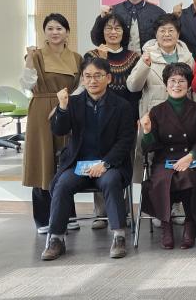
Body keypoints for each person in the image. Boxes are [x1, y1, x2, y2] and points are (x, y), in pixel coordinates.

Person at [41, 57, 136, 261]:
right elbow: (59, 130)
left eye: (98, 76)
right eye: (88, 76)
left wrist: (105, 163)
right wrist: (62, 107)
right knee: (63, 184)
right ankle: (56, 238)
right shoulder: (73, 103)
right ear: (82, 80)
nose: (93, 81)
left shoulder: (122, 106)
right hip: (78, 165)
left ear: (108, 78)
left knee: (111, 181)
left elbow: (126, 141)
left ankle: (119, 236)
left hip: (109, 165)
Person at [21, 13, 83, 234]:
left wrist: (66, 103)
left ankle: (68, 213)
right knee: (42, 161)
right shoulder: (36, 56)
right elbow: (26, 84)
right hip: (41, 110)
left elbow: (81, 86)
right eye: (50, 28)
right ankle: (43, 217)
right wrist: (29, 60)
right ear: (44, 32)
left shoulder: (76, 58)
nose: (55, 32)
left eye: (59, 28)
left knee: (66, 160)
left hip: (66, 107)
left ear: (67, 32)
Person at [139, 63, 196, 250]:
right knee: (162, 179)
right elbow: (149, 148)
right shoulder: (157, 111)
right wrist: (147, 131)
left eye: (181, 81)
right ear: (166, 84)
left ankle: (190, 224)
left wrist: (191, 156)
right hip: (164, 160)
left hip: (191, 159)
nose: (176, 85)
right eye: (172, 81)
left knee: (189, 177)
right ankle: (166, 225)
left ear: (189, 85)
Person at [85, 13, 142, 229]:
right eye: (108, 28)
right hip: (96, 118)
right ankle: (101, 213)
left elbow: (136, 89)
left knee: (123, 163)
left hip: (126, 119)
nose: (113, 32)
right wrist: (102, 58)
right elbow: (90, 84)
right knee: (97, 160)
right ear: (101, 31)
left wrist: (137, 116)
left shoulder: (134, 57)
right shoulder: (92, 55)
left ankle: (122, 211)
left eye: (118, 28)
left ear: (124, 33)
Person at [127, 14, 196, 185]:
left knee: (182, 161)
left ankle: (180, 195)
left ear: (178, 33)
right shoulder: (147, 55)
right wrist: (144, 65)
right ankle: (154, 196)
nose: (166, 34)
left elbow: (193, 89)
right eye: (162, 31)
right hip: (154, 118)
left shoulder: (187, 57)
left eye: (171, 30)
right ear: (155, 34)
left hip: (183, 117)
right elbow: (133, 86)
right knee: (153, 162)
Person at [95, 0, 166, 54]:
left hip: (150, 60)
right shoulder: (113, 11)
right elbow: (96, 40)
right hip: (120, 60)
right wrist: (101, 19)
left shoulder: (158, 12)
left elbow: (165, 40)